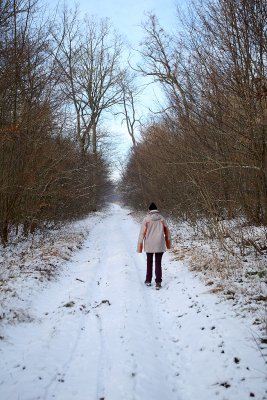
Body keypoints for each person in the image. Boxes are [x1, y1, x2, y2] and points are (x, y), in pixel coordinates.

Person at [137, 202, 171, 289]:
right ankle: (158, 282)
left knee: (149, 262)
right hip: (159, 243)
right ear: (156, 210)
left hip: (149, 244)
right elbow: (167, 232)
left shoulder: (146, 219)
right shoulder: (162, 218)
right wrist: (168, 244)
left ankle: (148, 280)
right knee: (158, 263)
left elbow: (142, 233)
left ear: (149, 210)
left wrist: (139, 247)